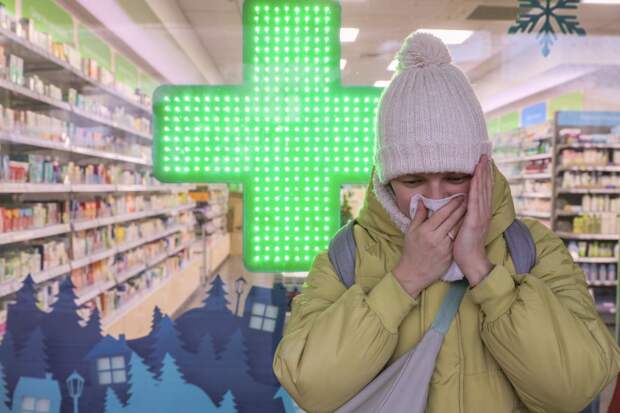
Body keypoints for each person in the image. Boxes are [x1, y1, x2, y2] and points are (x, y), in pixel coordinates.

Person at [272, 31, 620, 412]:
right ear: (386, 181)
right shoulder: (349, 254)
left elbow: (575, 388)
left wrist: (483, 272)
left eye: (455, 178)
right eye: (412, 181)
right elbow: (309, 386)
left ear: (482, 170)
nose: (435, 197)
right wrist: (405, 279)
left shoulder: (531, 250)